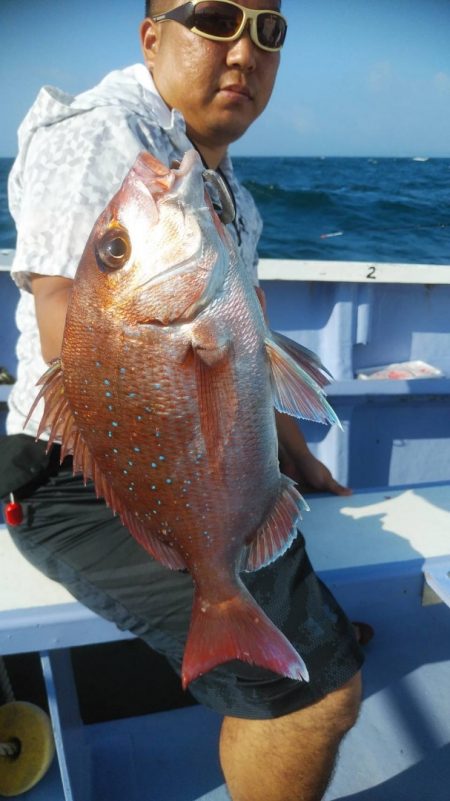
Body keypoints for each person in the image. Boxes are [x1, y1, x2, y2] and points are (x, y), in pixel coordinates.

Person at [2, 3, 363, 800]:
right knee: (315, 702)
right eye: (217, 18)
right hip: (72, 479)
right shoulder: (101, 132)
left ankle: (253, 616)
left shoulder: (215, 182)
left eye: (269, 31)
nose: (244, 51)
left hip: (189, 457)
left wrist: (295, 456)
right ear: (152, 36)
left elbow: (244, 347)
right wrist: (169, 341)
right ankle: (240, 626)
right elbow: (69, 316)